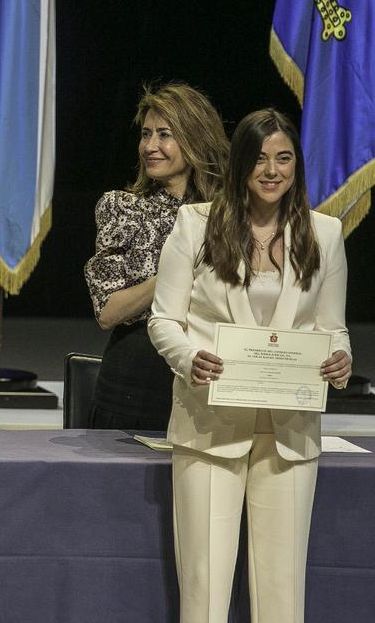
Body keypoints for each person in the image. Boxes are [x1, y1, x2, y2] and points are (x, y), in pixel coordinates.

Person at [149, 109, 352, 623]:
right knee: (206, 591)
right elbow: (163, 320)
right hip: (210, 425)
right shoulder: (196, 224)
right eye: (260, 158)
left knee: (282, 596)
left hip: (290, 429)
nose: (272, 170)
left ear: (296, 165)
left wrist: (340, 359)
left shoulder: (325, 233)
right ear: (241, 163)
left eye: (283, 158)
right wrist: (190, 358)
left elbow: (334, 328)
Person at [83, 82, 228, 431]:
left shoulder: (229, 214)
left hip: (213, 377)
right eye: (146, 134)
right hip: (136, 382)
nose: (150, 146)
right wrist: (176, 270)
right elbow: (108, 312)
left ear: (196, 140)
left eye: (164, 135)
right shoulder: (123, 208)